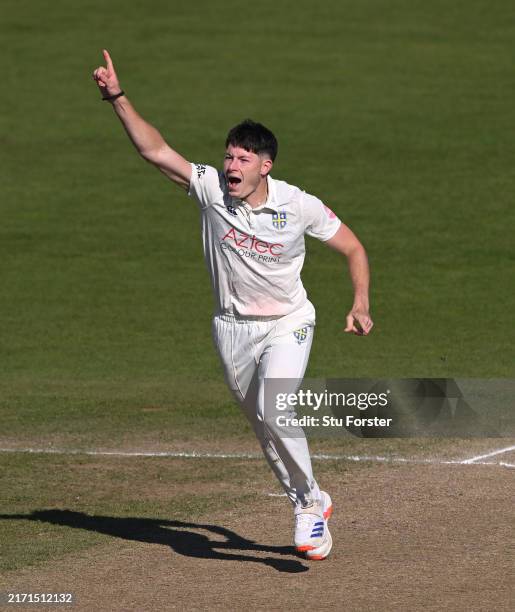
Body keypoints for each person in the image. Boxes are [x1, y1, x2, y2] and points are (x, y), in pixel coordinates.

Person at [92, 49, 373, 561]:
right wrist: (117, 97)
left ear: (267, 166)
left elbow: (353, 247)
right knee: (265, 428)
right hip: (232, 329)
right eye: (228, 156)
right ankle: (309, 498)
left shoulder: (298, 204)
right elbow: (155, 152)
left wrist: (360, 301)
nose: (231, 166)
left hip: (289, 322)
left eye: (243, 159)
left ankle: (310, 507)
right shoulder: (210, 190)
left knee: (277, 406)